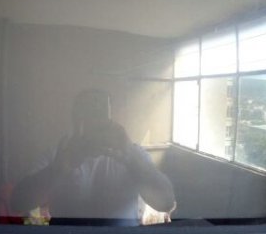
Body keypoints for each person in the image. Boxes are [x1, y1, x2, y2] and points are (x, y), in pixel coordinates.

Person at [11, 89, 176, 224]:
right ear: (75, 119)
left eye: (100, 114)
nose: (95, 121)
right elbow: (18, 203)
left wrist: (132, 159)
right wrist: (57, 170)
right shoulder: (59, 155)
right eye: (88, 114)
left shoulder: (132, 154)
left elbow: (165, 204)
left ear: (111, 118)